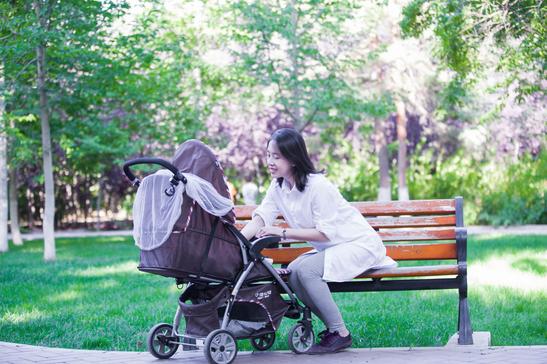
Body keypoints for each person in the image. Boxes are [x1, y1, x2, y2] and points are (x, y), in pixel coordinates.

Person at [241, 128, 396, 354]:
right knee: (292, 272)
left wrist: (282, 233)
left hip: (359, 244)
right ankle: (335, 330)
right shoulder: (278, 186)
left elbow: (325, 233)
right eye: (268, 155)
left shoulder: (318, 186)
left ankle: (339, 332)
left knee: (307, 272)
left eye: (277, 156)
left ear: (293, 159)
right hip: (333, 247)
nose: (270, 162)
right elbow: (261, 216)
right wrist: (236, 241)